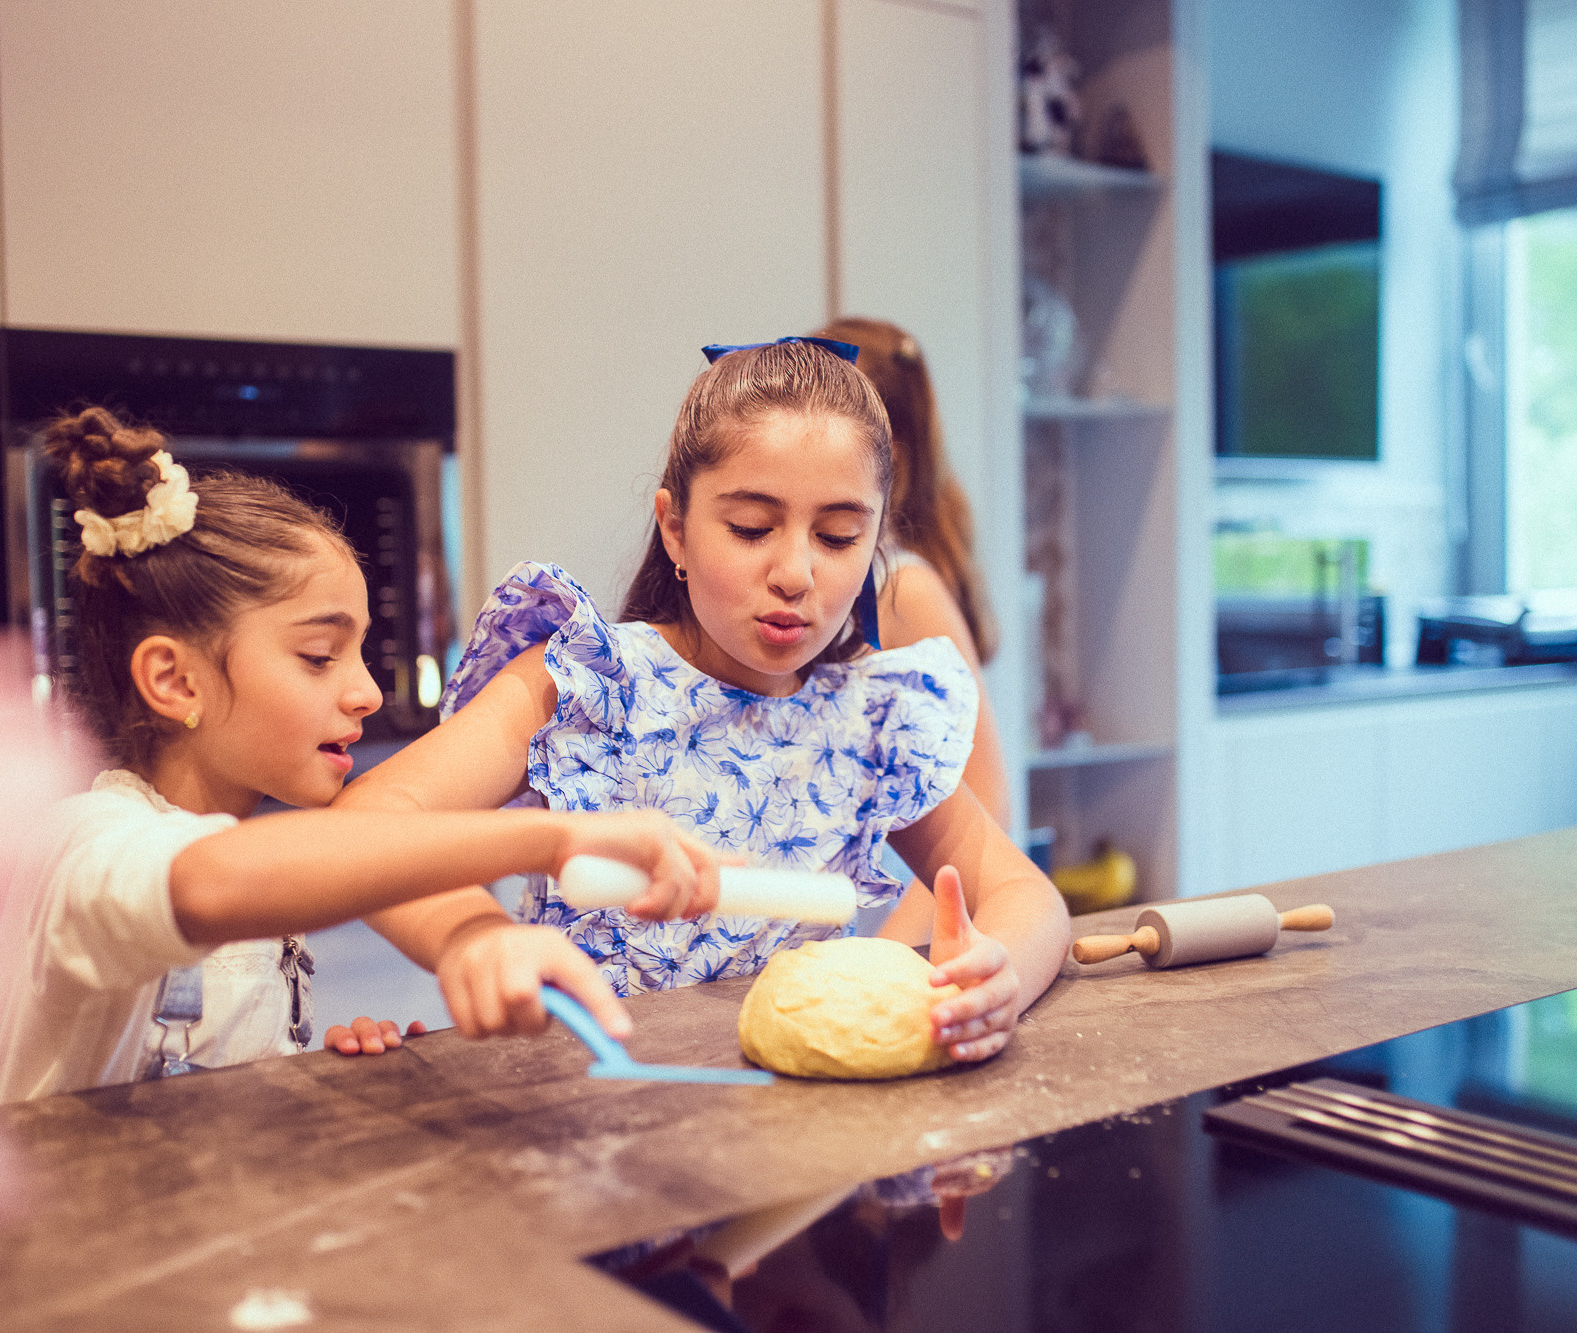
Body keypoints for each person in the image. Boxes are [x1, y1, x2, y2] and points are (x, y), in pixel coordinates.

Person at [340, 339, 1069, 1063]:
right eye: (752, 528)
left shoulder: (869, 719)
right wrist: (477, 935)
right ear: (676, 528)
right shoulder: (586, 686)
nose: (795, 572)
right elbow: (362, 826)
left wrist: (995, 972)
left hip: (797, 1135)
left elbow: (1026, 897)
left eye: (839, 535)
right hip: (588, 1124)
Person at [0, 407, 727, 1104]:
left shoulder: (255, 848)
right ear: (176, 679)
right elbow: (216, 881)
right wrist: (554, 838)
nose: (368, 692)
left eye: (361, 652)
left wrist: (302, 1075)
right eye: (318, 656)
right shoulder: (85, 842)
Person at [814, 316, 1007, 947]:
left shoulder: (903, 587)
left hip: (901, 928)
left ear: (886, 460)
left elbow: (987, 800)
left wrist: (890, 957)